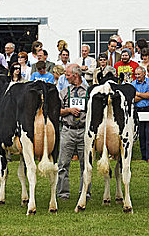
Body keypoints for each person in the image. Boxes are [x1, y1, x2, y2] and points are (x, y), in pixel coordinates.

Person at [57, 64, 90, 200]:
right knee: (63, 163)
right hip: (68, 130)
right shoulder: (64, 92)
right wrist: (69, 110)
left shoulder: (89, 92)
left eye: (68, 75)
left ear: (76, 75)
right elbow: (57, 111)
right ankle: (63, 193)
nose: (66, 77)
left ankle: (85, 192)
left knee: (86, 165)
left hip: (84, 131)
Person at [132, 66, 149, 163]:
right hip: (138, 110)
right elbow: (133, 98)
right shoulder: (133, 84)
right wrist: (145, 95)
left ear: (144, 74)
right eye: (136, 74)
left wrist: (139, 94)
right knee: (141, 134)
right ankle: (143, 155)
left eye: (139, 74)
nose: (137, 76)